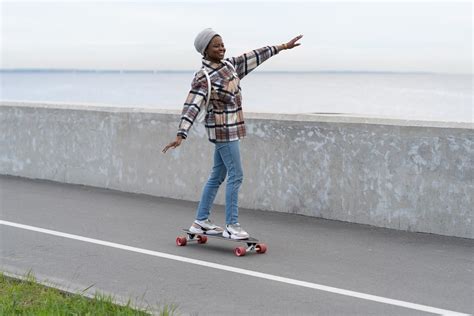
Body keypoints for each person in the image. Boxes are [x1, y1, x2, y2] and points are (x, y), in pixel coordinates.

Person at [163, 28, 302, 239]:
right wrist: (181, 134)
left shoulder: (230, 66)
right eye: (216, 46)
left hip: (233, 128)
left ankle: (200, 221)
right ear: (205, 50)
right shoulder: (204, 77)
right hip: (223, 132)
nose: (222, 48)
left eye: (222, 44)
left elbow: (255, 56)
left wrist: (282, 47)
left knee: (217, 175)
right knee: (236, 175)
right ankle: (232, 225)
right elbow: (191, 105)